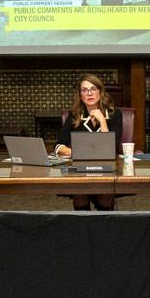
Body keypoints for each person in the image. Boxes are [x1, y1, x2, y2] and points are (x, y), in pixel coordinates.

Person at [54, 74, 120, 211]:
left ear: (100, 92)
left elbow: (111, 147)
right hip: (80, 168)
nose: (89, 93)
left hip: (106, 168)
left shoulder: (114, 114)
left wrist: (102, 121)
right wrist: (78, 153)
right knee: (80, 193)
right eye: (84, 90)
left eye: (93, 89)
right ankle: (83, 228)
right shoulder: (74, 114)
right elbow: (59, 146)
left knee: (105, 195)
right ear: (80, 95)